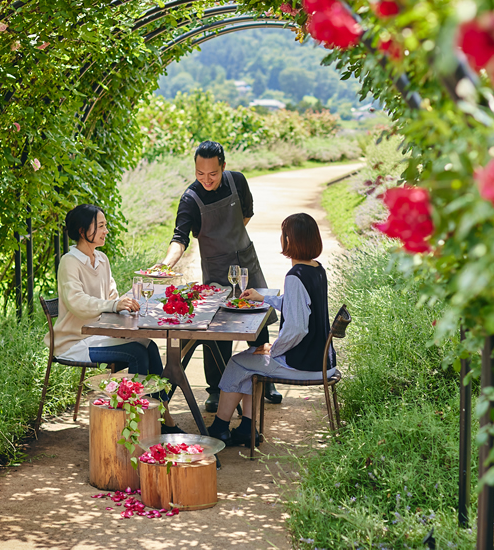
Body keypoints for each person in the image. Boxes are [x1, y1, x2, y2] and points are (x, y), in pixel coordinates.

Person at [156, 140, 281, 412]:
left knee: (257, 321)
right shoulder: (190, 198)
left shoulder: (237, 182)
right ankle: (216, 390)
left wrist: (232, 242)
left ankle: (266, 378)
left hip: (246, 261)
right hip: (216, 269)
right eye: (200, 174)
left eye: (212, 173)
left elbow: (245, 215)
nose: (206, 180)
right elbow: (179, 239)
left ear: (223, 167)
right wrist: (165, 264)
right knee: (217, 329)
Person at [48, 203, 183, 433]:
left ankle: (162, 419)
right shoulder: (69, 262)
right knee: (136, 352)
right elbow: (77, 303)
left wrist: (126, 306)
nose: (105, 231)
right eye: (100, 226)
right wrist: (113, 304)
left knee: (148, 345)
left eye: (105, 225)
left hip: (97, 337)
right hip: (73, 342)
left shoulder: (101, 259)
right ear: (82, 231)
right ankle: (140, 427)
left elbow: (111, 298)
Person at [207, 213, 337, 447]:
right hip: (322, 358)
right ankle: (247, 429)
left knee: (238, 363)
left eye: (283, 234)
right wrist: (265, 298)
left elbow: (297, 327)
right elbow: (299, 304)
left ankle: (219, 428)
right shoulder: (317, 269)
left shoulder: (295, 276)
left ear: (290, 240)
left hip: (305, 364)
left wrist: (274, 349)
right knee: (250, 358)